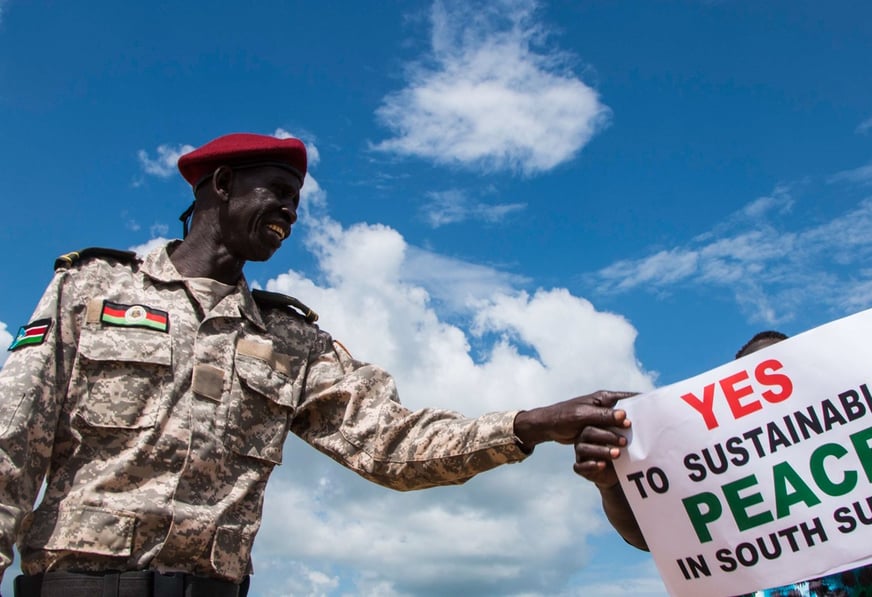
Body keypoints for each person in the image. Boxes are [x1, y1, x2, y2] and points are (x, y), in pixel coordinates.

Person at [0, 132, 634, 597]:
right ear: (221, 185)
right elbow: (11, 442)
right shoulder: (92, 291)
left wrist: (526, 425)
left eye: (297, 201)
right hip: (77, 586)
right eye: (277, 192)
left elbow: (393, 445)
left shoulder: (293, 341)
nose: (291, 213)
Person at [574, 330, 872, 597]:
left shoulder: (853, 439)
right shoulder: (712, 463)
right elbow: (648, 537)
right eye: (752, 376)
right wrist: (608, 484)